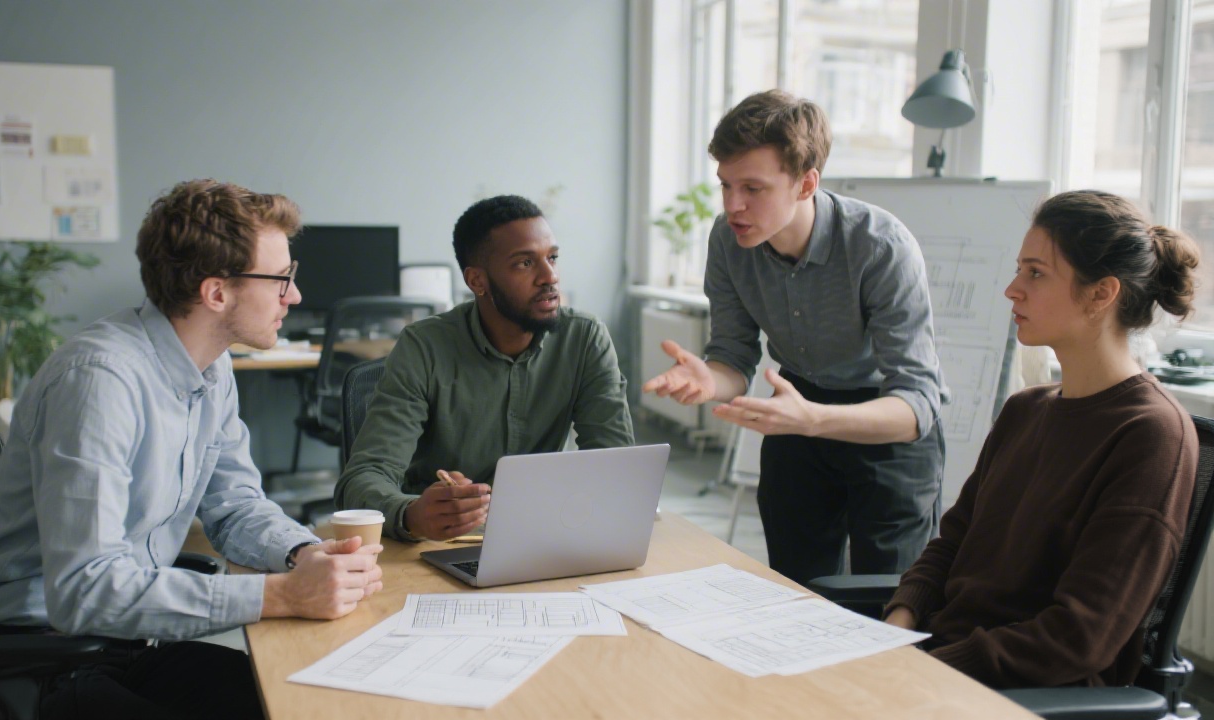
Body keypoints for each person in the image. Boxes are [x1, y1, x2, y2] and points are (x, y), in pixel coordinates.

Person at [0, 179, 384, 719]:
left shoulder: (212, 365)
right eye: (281, 278)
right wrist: (283, 595)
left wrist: (304, 554)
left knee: (306, 704)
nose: (293, 296)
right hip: (35, 664)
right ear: (216, 292)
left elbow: (235, 507)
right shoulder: (99, 380)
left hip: (124, 645)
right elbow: (83, 591)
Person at [884, 189, 1200, 689]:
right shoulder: (1025, 410)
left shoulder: (1151, 435)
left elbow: (1077, 638)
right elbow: (953, 543)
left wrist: (927, 670)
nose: (1012, 289)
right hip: (937, 664)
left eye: (1035, 273)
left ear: (1101, 294)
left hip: (1025, 692)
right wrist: (896, 628)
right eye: (1018, 269)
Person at [643, 90, 945, 582]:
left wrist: (814, 418)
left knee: (890, 602)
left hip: (882, 420)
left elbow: (916, 407)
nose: (733, 205)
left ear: (806, 184)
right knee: (798, 589)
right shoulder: (728, 240)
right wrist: (709, 379)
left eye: (753, 189)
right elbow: (733, 359)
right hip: (797, 412)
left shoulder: (880, 247)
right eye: (725, 185)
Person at [335, 195, 635, 541]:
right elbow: (362, 479)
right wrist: (412, 514)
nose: (549, 277)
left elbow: (616, 464)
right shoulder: (423, 346)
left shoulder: (583, 337)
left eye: (552, 258)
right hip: (439, 543)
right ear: (477, 281)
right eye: (525, 263)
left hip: (541, 534)